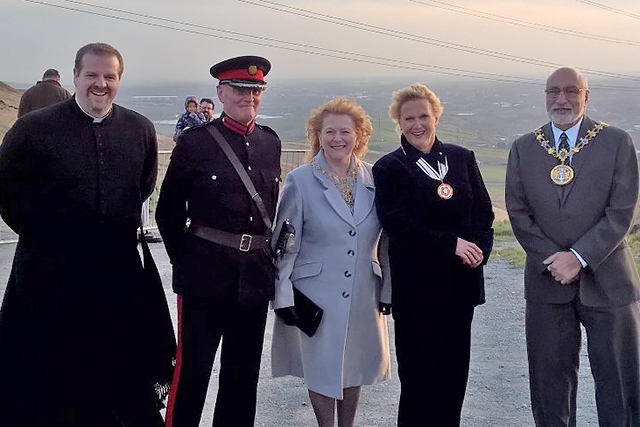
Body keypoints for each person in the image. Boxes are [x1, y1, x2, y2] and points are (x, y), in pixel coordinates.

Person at [0, 42, 175, 427]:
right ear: (75, 77)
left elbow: (142, 187)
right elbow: (6, 194)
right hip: (46, 280)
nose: (101, 84)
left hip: (117, 280)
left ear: (119, 81)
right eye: (92, 75)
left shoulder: (140, 130)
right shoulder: (33, 130)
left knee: (112, 385)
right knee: (45, 387)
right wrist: (46, 238)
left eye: (109, 77)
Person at [505, 67, 640, 426]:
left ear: (586, 95)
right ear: (545, 95)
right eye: (553, 91)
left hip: (609, 281)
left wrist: (579, 257)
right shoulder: (524, 148)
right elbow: (518, 213)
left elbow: (622, 211)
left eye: (570, 91)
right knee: (550, 388)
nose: (561, 99)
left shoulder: (616, 142)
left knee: (620, 385)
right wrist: (556, 261)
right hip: (547, 284)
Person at [156, 55, 281, 427]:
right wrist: (189, 259)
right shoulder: (196, 143)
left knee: (242, 377)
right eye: (241, 89)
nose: (249, 97)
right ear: (221, 93)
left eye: (256, 90)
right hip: (204, 277)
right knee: (192, 371)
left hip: (254, 280)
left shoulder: (269, 143)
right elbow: (168, 212)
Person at [372, 83, 494, 426]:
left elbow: (482, 214)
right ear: (398, 122)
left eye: (424, 116)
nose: (417, 124)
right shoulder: (389, 167)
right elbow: (396, 223)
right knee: (419, 378)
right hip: (417, 289)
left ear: (436, 116)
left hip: (460, 285)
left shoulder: (461, 158)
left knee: (454, 378)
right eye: (408, 118)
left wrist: (479, 250)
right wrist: (450, 244)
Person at [271, 98, 392, 427]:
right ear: (317, 136)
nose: (337, 138)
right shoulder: (300, 180)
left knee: (352, 365)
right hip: (315, 292)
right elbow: (285, 243)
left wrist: (388, 290)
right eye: (329, 132)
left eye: (345, 131)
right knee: (323, 367)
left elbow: (386, 240)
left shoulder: (375, 178)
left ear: (359, 135)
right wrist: (282, 296)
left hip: (363, 291)